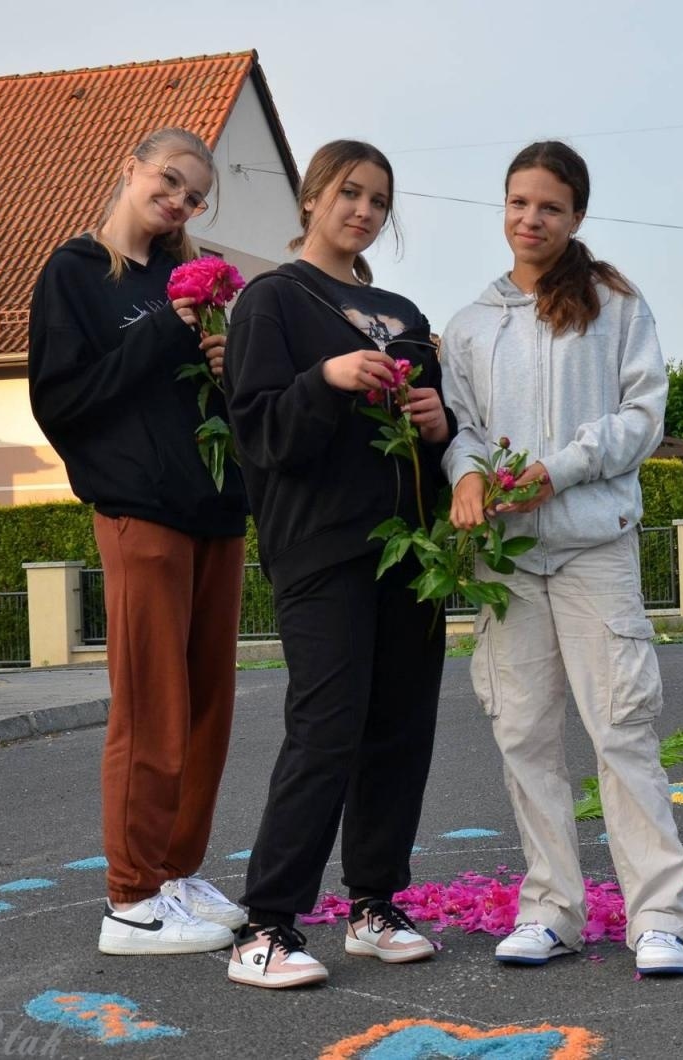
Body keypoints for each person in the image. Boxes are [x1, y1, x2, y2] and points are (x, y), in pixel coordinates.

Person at [442, 141, 683, 977]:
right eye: (518, 203)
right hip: (508, 560)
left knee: (621, 729)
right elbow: (461, 427)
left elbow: (641, 416)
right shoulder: (472, 323)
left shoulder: (614, 303)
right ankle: (551, 908)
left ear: (576, 215)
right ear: (503, 207)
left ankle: (658, 915)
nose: (531, 219)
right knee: (524, 734)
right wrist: (469, 478)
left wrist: (560, 468)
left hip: (593, 548)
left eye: (549, 206)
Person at [224, 140, 453, 989]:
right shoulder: (271, 303)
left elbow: (437, 440)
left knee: (400, 725)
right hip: (320, 548)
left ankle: (373, 905)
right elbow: (257, 433)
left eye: (379, 200)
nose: (363, 210)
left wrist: (438, 424)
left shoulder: (401, 308)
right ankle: (266, 926)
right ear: (312, 197)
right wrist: (324, 377)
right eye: (349, 193)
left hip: (409, 552)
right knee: (326, 727)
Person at [28, 128, 248, 956]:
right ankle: (129, 899)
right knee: (151, 708)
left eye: (194, 196)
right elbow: (64, 401)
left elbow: (211, 404)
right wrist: (165, 332)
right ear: (129, 167)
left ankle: (174, 875)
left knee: (206, 712)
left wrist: (228, 366)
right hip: (140, 512)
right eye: (169, 181)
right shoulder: (75, 275)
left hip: (215, 510)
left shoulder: (187, 278)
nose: (179, 202)